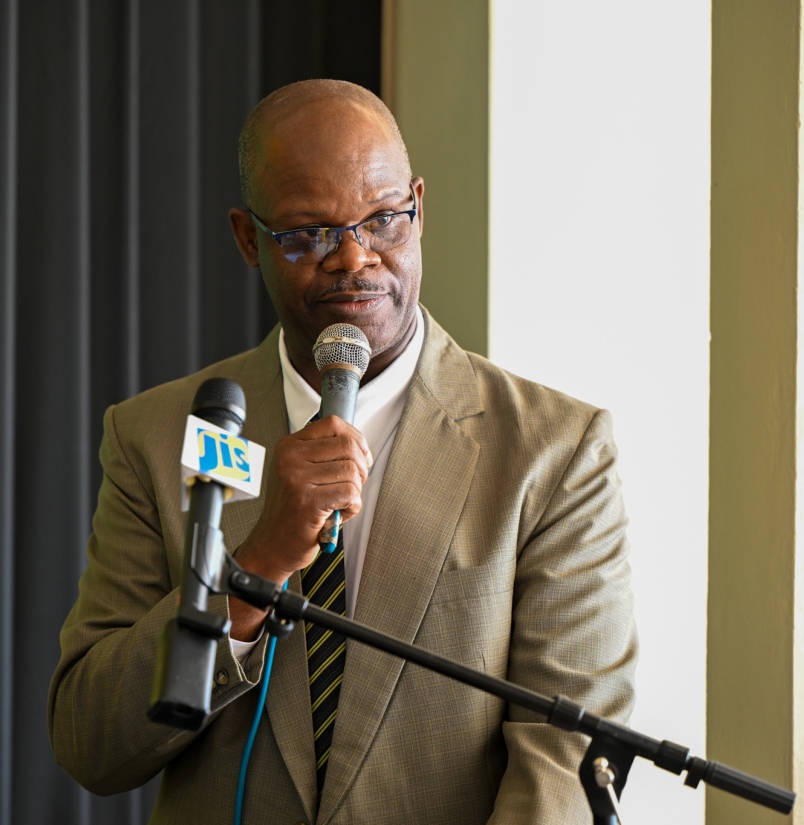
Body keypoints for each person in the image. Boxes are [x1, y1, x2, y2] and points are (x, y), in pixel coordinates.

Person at [48, 79, 637, 824]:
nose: (354, 258)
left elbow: (565, 763)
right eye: (307, 234)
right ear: (246, 238)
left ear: (418, 206)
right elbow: (89, 741)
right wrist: (252, 568)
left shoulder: (554, 452)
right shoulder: (158, 436)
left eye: (384, 219)